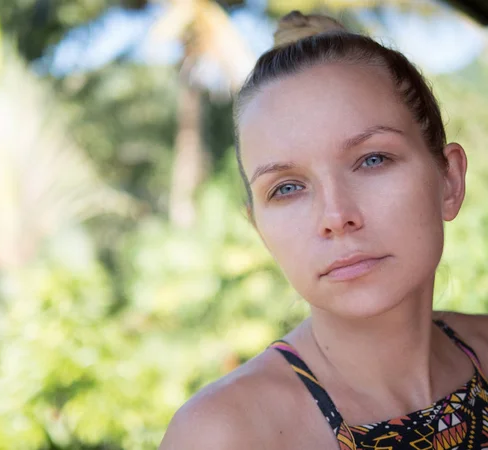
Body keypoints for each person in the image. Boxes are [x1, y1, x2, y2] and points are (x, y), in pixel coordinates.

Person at [159, 10, 488, 450]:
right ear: (259, 228)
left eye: (372, 159)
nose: (336, 215)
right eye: (287, 188)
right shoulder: (226, 434)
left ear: (449, 180)